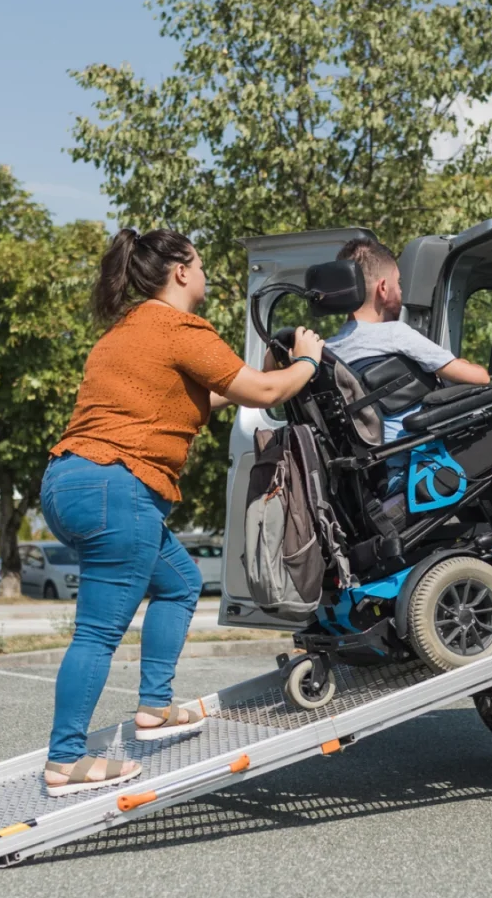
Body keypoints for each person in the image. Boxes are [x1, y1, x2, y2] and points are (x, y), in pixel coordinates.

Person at [40, 227, 324, 796]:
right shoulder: (179, 327)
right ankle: (65, 760)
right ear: (180, 272)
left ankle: (154, 706)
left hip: (69, 481)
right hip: (117, 487)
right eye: (201, 263)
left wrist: (267, 370)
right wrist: (308, 363)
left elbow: (209, 393)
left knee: (180, 582)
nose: (206, 273)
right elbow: (268, 395)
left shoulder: (124, 332)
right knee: (98, 633)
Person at [324, 237, 492, 520]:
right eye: (398, 284)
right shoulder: (395, 335)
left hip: (374, 477)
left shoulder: (329, 352)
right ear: (383, 289)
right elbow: (477, 377)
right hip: (417, 467)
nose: (400, 290)